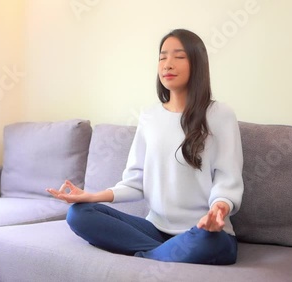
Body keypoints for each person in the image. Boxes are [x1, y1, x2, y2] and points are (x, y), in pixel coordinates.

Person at [46, 29, 244, 265]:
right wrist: (92, 196)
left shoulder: (221, 115)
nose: (167, 64)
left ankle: (150, 256)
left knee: (212, 243)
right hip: (154, 230)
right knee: (79, 214)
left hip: (203, 232)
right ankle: (165, 253)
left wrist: (219, 210)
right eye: (162, 57)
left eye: (179, 57)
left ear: (197, 63)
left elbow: (227, 179)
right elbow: (135, 180)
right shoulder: (149, 116)